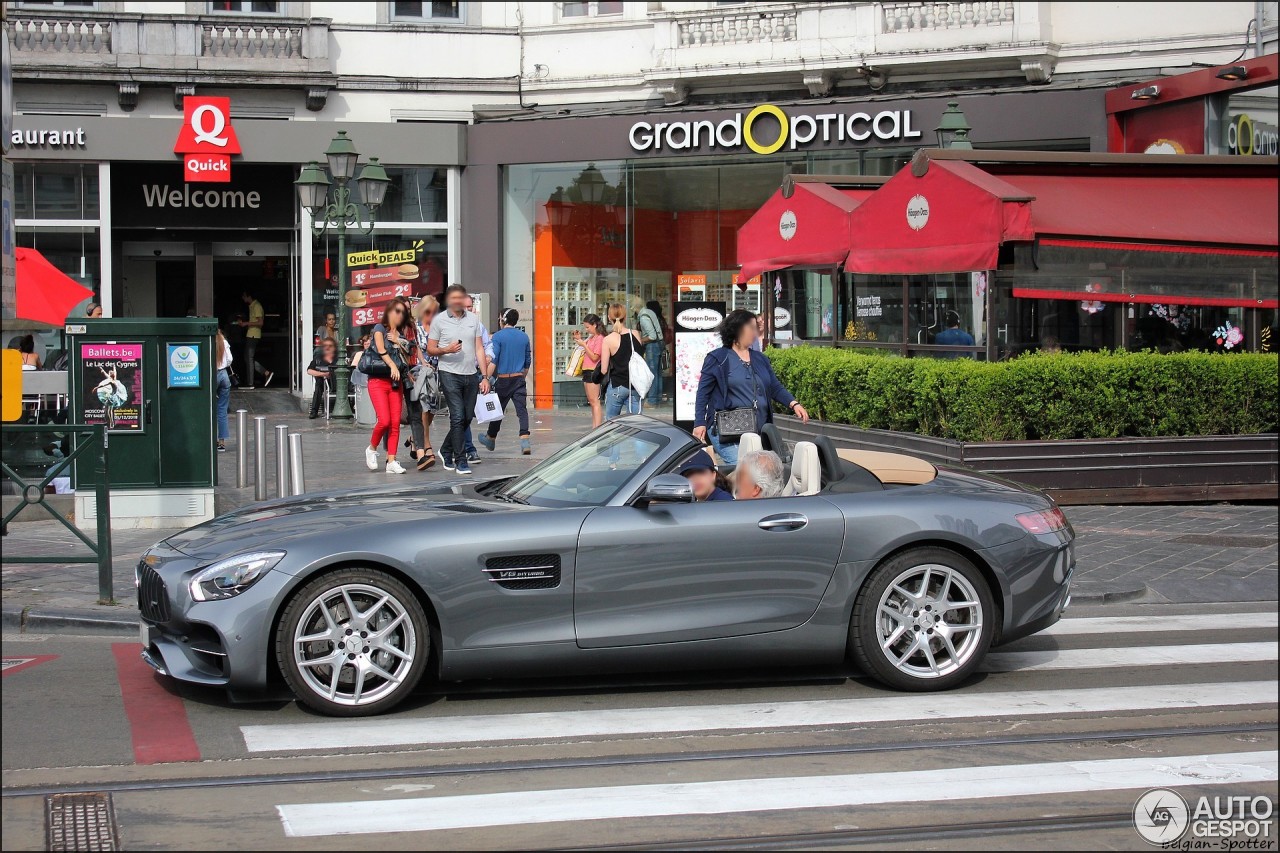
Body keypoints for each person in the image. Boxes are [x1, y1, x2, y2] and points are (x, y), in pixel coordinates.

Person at [692, 309, 809, 464]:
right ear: (737, 329)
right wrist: (699, 422)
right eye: (752, 327)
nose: (756, 331)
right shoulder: (717, 359)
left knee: (758, 474)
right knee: (744, 468)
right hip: (727, 430)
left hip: (757, 429)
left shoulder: (760, 359)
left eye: (757, 327)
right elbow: (703, 394)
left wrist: (793, 403)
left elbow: (774, 386)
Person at [427, 284, 492, 476]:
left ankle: (445, 449)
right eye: (453, 297)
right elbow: (430, 348)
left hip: (470, 374)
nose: (457, 301)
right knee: (456, 416)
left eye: (460, 297)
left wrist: (485, 376)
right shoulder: (439, 321)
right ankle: (460, 459)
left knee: (467, 417)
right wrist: (446, 350)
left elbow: (479, 348)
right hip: (449, 372)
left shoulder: (473, 320)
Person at [364, 297, 411, 475]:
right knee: (384, 420)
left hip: (394, 382)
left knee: (395, 423)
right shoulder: (379, 328)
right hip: (377, 379)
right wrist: (392, 365)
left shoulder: (400, 334)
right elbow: (381, 349)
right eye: (396, 311)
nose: (399, 315)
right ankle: (371, 448)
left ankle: (391, 460)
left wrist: (399, 341)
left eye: (402, 312)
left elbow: (408, 355)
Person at [479, 308, 532, 455]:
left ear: (504, 319)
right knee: (522, 410)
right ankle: (525, 439)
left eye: (500, 318)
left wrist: (485, 378)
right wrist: (521, 375)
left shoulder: (498, 337)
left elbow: (494, 360)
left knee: (498, 411)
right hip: (519, 378)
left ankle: (491, 438)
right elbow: (528, 361)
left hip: (503, 379)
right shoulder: (524, 337)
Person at [405, 296, 440, 471]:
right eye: (429, 311)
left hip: (436, 372)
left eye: (434, 311)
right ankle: (426, 446)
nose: (432, 314)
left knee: (433, 408)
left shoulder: (437, 327)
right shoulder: (415, 327)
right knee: (424, 408)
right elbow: (414, 346)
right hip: (419, 371)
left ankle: (414, 437)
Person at [459, 293, 492, 466]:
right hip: (455, 374)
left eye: (470, 307)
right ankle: (468, 449)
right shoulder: (449, 325)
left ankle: (454, 449)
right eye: (464, 307)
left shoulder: (477, 325)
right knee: (461, 415)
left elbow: (487, 346)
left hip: (474, 373)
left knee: (467, 415)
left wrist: (487, 357)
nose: (467, 310)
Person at [599, 303, 644, 420]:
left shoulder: (608, 340)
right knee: (636, 425)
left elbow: (604, 370)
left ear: (609, 318)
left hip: (617, 385)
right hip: (636, 385)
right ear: (625, 317)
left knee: (611, 423)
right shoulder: (635, 334)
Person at [572, 313, 605, 428]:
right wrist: (580, 340)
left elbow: (595, 357)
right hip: (586, 370)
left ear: (595, 325)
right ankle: (594, 426)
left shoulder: (600, 338)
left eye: (587, 327)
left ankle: (597, 427)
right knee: (591, 401)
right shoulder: (591, 338)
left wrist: (584, 345)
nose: (586, 329)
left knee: (595, 401)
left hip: (593, 371)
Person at [235, 290, 273, 388]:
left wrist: (246, 323)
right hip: (251, 334)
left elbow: (260, 323)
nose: (243, 298)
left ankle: (251, 382)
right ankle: (265, 373)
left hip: (253, 335)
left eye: (244, 296)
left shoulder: (256, 306)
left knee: (249, 358)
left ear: (249, 296)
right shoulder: (252, 306)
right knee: (248, 358)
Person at [637, 300, 666, 407]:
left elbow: (652, 336)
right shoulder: (650, 313)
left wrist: (640, 340)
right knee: (658, 373)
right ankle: (657, 399)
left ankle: (652, 400)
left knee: (652, 374)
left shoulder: (644, 317)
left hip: (652, 346)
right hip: (658, 345)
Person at [307, 338, 337, 419]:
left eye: (330, 346)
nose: (327, 348)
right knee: (319, 383)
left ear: (334, 348)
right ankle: (314, 411)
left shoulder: (338, 358)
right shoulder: (318, 358)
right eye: (325, 346)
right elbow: (309, 371)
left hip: (336, 382)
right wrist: (323, 374)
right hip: (323, 382)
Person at [215, 328, 233, 452]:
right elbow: (229, 360)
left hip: (212, 375)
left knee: (209, 409)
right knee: (222, 409)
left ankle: (211, 439)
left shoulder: (208, 340)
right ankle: (221, 442)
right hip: (224, 375)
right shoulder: (223, 341)